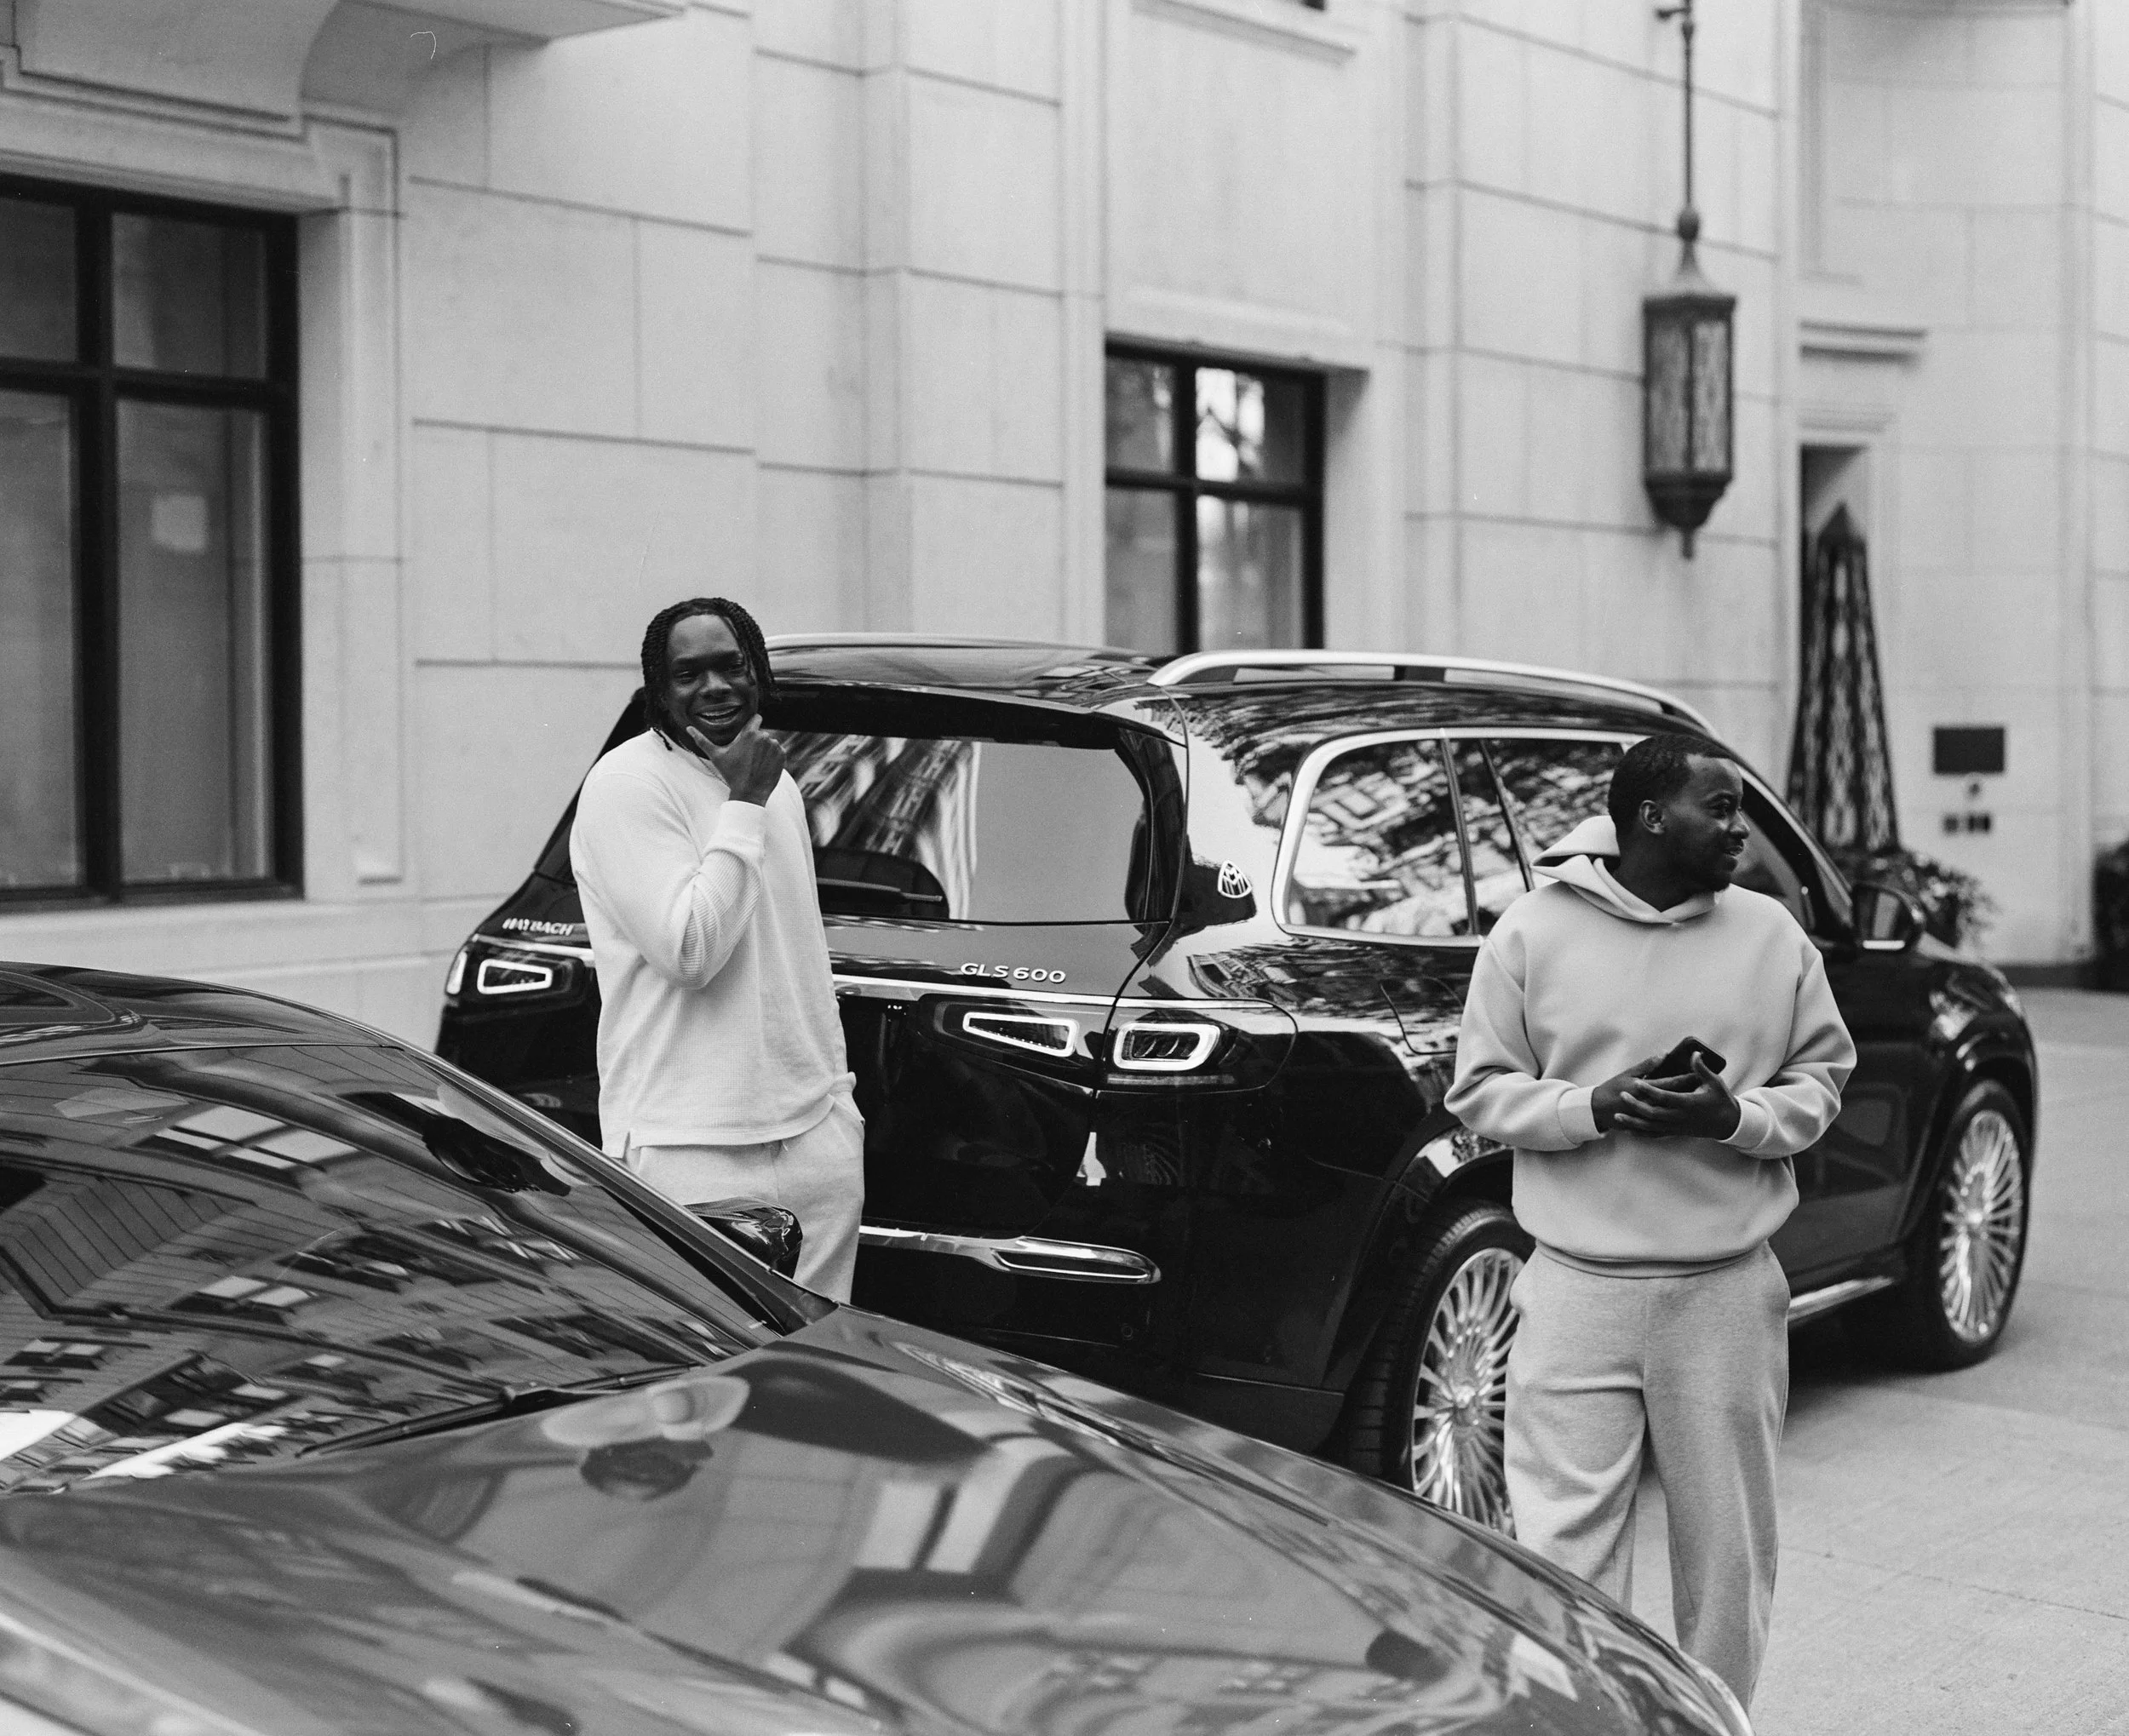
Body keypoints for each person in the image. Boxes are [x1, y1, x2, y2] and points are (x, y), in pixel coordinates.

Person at [1444, 733, 1854, 1709]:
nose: (1739, 828)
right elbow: (1479, 1089)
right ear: (1649, 817)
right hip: (1577, 1281)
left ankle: (1713, 1722)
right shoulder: (1532, 932)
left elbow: (1824, 1077)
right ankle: (1579, 1724)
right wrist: (1591, 1106)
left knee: (1726, 1550)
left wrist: (1736, 1117)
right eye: (1719, 807)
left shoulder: (1771, 936)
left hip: (1724, 1285)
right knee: (1561, 1540)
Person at [570, 598, 864, 1299]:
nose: (715, 688)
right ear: (658, 690)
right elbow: (691, 950)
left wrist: (838, 1106)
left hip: (814, 1138)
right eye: (688, 673)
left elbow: (799, 956)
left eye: (731, 666)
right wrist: (744, 803)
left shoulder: (772, 782)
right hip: (689, 1148)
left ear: (757, 670)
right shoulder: (626, 783)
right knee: (704, 1394)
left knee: (814, 1383)